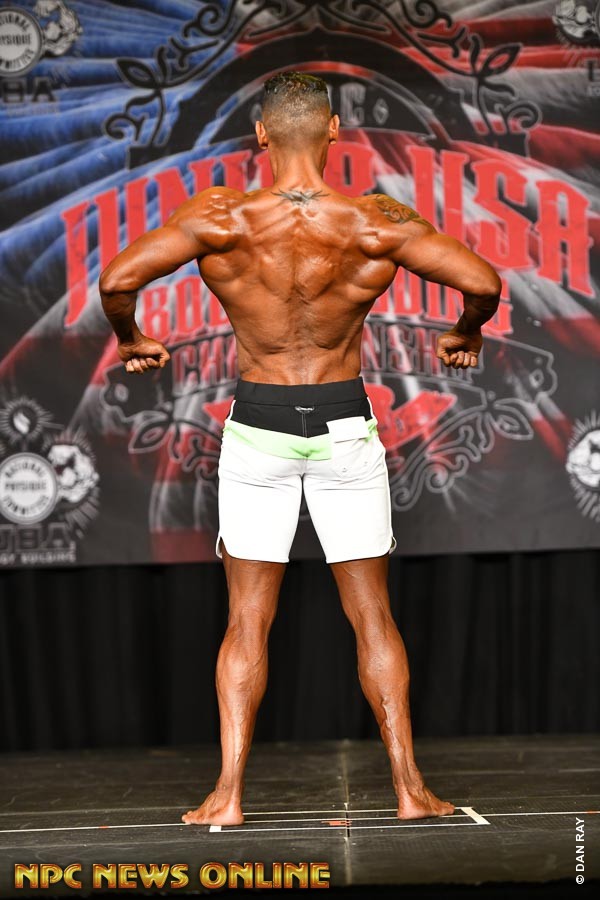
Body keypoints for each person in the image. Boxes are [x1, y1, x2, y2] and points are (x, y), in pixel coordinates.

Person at [99, 71, 501, 827]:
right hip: (345, 426)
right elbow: (482, 281)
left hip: (260, 427)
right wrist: (465, 331)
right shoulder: (375, 220)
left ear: (260, 135)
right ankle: (409, 790)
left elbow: (118, 280)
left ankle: (227, 795)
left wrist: (131, 338)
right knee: (373, 616)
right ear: (335, 131)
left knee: (247, 619)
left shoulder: (221, 216)